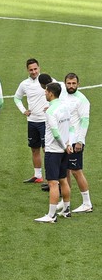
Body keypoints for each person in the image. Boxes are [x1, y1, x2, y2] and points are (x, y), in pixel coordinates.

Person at [35, 83, 72, 223]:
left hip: (54, 150)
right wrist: (68, 144)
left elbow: (56, 133)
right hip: (64, 150)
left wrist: (63, 145)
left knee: (52, 183)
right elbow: (69, 126)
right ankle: (67, 210)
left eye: (46, 91)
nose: (45, 93)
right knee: (63, 179)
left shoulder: (51, 112)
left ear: (51, 93)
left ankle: (51, 215)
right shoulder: (65, 107)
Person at [62, 73, 92, 213]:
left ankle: (87, 203)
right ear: (65, 83)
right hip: (64, 140)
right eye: (69, 83)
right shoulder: (63, 95)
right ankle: (65, 200)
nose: (71, 86)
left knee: (76, 171)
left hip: (75, 141)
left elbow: (85, 121)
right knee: (65, 170)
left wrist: (80, 140)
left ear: (78, 84)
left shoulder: (82, 100)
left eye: (74, 83)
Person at [14, 59, 47, 184]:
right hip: (32, 121)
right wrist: (23, 110)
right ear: (27, 70)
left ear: (39, 68)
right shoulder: (24, 84)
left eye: (35, 69)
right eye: (31, 70)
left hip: (45, 121)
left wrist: (52, 106)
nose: (34, 72)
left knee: (47, 150)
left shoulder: (47, 80)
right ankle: (38, 176)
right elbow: (17, 98)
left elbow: (59, 92)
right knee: (34, 149)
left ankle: (52, 179)